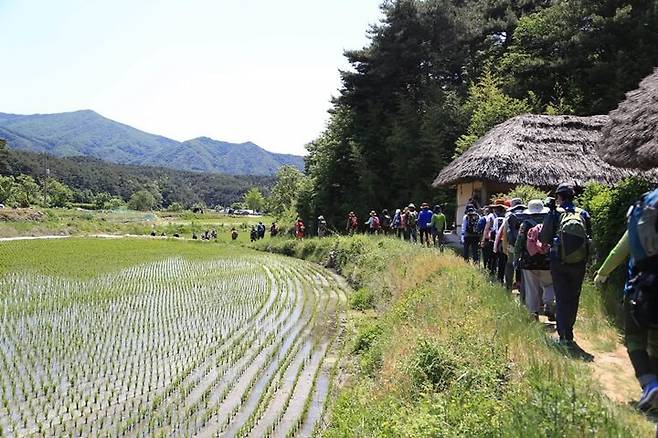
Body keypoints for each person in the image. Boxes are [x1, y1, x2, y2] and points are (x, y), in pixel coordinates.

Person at [594, 188, 658, 411]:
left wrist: (602, 274)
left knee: (635, 339)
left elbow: (618, 252)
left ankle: (650, 385)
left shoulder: (642, 209)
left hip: (643, 289)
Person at [540, 183, 592, 347]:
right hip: (579, 262)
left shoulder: (555, 213)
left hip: (559, 261)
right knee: (573, 296)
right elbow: (588, 238)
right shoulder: (583, 214)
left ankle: (565, 335)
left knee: (561, 297)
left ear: (559, 197)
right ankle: (569, 330)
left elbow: (544, 238)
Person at [514, 199, 554, 320]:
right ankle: (548, 304)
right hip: (547, 260)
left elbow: (519, 242)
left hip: (529, 261)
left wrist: (516, 258)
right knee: (549, 284)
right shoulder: (550, 222)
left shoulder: (525, 224)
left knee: (532, 288)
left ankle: (533, 313)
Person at [495, 198, 526, 289]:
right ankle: (521, 287)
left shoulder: (510, 215)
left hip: (512, 245)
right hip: (525, 246)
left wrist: (505, 248)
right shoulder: (527, 214)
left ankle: (508, 286)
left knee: (510, 265)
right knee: (523, 266)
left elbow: (505, 232)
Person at [483, 200, 506, 278]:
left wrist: (483, 239)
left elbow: (487, 228)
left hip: (492, 240)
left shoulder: (491, 216)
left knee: (492, 257)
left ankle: (491, 272)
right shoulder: (506, 216)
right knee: (502, 259)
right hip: (503, 240)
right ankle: (501, 276)